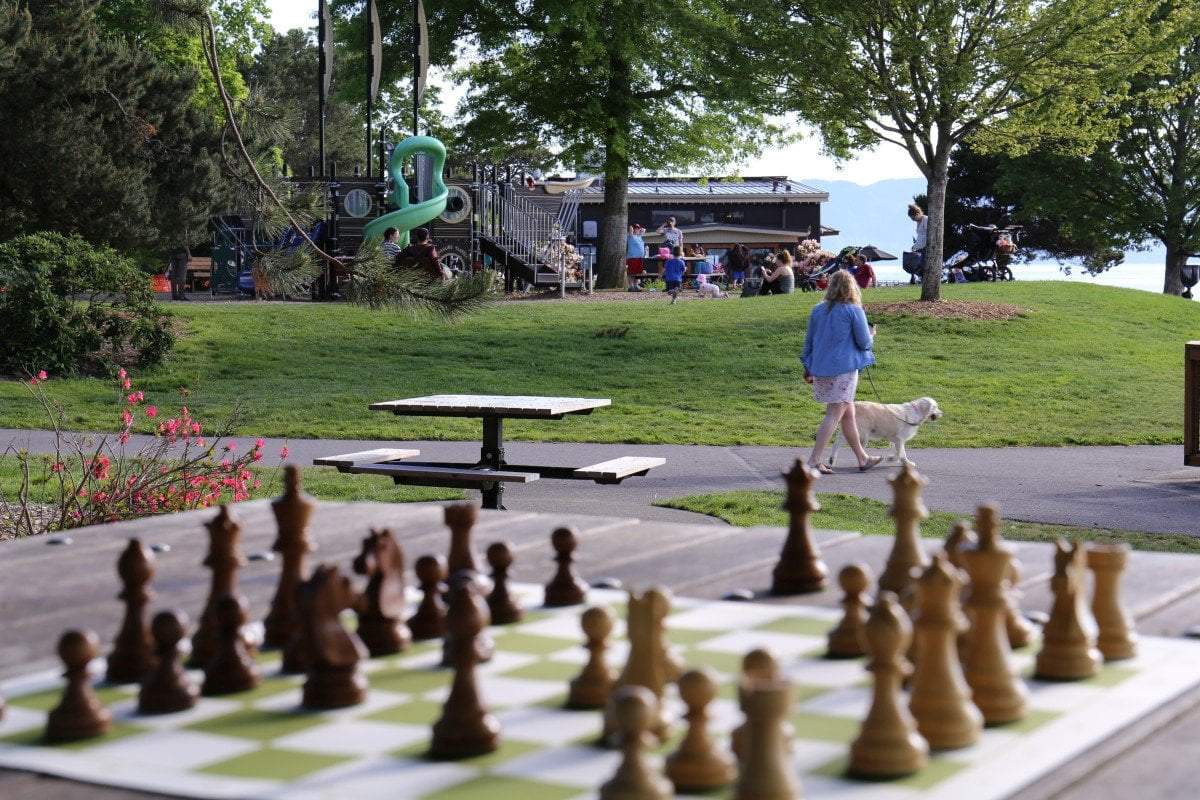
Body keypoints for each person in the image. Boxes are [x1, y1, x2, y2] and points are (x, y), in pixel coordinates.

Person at [801, 270, 882, 474]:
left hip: (820, 368)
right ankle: (813, 461)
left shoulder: (818, 310)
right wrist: (872, 334)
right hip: (844, 370)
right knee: (835, 413)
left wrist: (807, 367)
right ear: (851, 287)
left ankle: (862, 458)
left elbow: (809, 341)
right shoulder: (853, 310)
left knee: (848, 413)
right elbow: (864, 343)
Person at [907, 203, 928, 285]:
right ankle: (921, 281)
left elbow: (926, 235)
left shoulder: (925, 219)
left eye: (913, 218)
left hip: (924, 247)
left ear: (918, 214)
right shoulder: (918, 222)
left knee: (922, 266)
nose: (913, 220)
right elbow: (920, 237)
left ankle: (924, 281)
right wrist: (915, 246)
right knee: (916, 266)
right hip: (919, 247)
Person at [626, 223, 646, 291]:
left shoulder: (639, 237)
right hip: (632, 258)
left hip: (640, 258)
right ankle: (631, 286)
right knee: (631, 273)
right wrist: (631, 228)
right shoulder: (630, 236)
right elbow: (630, 229)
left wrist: (641, 231)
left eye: (638, 228)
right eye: (635, 228)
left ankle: (636, 285)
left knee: (638, 273)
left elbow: (643, 231)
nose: (636, 229)